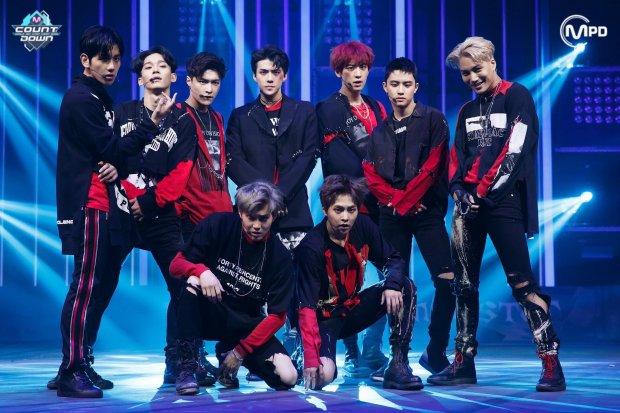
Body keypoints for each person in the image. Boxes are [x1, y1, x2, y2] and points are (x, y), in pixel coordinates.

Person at [427, 36, 565, 392]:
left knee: (522, 284)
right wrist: (458, 191)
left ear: (491, 62)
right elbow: (456, 158)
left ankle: (550, 362)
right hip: (467, 208)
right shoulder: (467, 111)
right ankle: (463, 361)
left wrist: (483, 193)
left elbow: (516, 149)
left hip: (503, 203)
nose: (472, 77)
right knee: (463, 285)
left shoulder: (517, 95)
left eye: (477, 69)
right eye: (465, 73)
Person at [53, 26, 175, 398]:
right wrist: (149, 125)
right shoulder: (81, 99)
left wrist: (114, 163)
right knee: (85, 288)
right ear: (85, 60)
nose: (111, 66)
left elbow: (112, 155)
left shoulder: (99, 98)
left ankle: (76, 363)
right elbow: (111, 149)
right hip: (89, 203)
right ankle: (72, 369)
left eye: (117, 59)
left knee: (96, 286)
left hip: (105, 203)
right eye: (104, 59)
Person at [226, 45, 318, 375]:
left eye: (274, 72)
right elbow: (233, 161)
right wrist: (265, 197)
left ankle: (298, 350)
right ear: (254, 76)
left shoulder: (304, 111)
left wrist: (278, 196)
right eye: (263, 72)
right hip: (253, 215)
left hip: (295, 214)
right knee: (250, 286)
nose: (269, 78)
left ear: (284, 75)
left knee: (298, 287)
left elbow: (309, 156)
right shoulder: (240, 116)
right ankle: (254, 352)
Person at [362, 57, 456, 377]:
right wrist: (399, 203)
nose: (400, 90)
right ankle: (398, 356)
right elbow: (371, 176)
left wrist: (406, 201)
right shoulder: (378, 131)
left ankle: (435, 350)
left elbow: (433, 168)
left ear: (416, 87)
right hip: (392, 216)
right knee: (395, 284)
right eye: (395, 85)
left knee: (447, 281)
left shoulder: (433, 120)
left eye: (406, 84)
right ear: (385, 87)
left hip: (426, 213)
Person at [169, 182, 298, 395]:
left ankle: (225, 352)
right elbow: (176, 265)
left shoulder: (280, 256)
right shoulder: (217, 225)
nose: (256, 225)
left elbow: (277, 316)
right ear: (240, 212)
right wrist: (202, 271)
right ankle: (187, 367)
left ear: (273, 216)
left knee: (287, 377)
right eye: (250, 217)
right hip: (212, 312)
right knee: (192, 282)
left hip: (245, 324)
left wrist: (239, 352)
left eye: (263, 218)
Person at [296, 175, 422, 391]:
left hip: (350, 310)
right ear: (325, 210)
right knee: (322, 377)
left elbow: (393, 259)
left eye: (351, 210)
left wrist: (392, 284)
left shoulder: (363, 226)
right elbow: (305, 307)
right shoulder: (311, 247)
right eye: (338, 210)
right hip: (322, 320)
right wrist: (310, 356)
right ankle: (300, 357)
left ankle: (398, 364)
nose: (345, 217)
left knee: (404, 285)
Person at [315, 41, 388, 377]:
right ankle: (352, 351)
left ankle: (373, 349)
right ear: (338, 71)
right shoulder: (329, 109)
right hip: (348, 206)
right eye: (350, 68)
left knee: (388, 276)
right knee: (344, 279)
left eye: (363, 67)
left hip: (381, 205)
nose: (357, 74)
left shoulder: (377, 107)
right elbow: (338, 162)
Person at [175, 52, 233, 241]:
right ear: (189, 81)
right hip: (190, 216)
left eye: (215, 83)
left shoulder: (217, 118)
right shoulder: (177, 114)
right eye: (202, 82)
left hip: (221, 213)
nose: (209, 89)